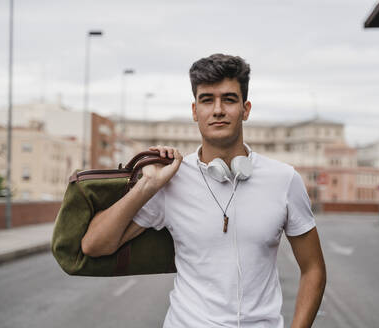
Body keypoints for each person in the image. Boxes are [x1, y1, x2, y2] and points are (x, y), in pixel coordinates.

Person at [81, 54, 326, 327]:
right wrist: (148, 186)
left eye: (229, 99)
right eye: (207, 100)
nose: (218, 110)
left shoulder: (284, 180)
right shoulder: (171, 180)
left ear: (246, 110)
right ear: (195, 110)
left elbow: (313, 269)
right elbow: (94, 245)